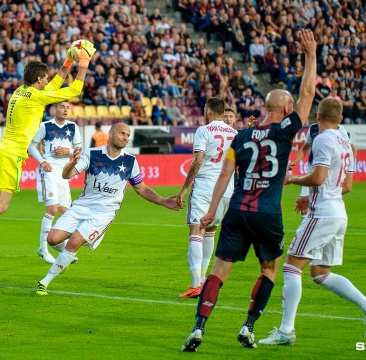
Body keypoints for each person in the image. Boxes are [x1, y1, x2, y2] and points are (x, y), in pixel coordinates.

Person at [181, 29, 317, 352]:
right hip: (268, 213)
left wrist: (212, 211)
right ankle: (248, 326)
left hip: (237, 209)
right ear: (286, 110)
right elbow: (308, 93)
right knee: (269, 269)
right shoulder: (285, 130)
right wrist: (310, 55)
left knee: (218, 270)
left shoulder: (240, 137)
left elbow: (224, 176)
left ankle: (198, 329)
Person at [0, 41, 97, 260]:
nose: (48, 81)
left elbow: (54, 85)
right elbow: (74, 89)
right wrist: (84, 64)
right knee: (1, 206)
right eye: (45, 78)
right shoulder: (37, 97)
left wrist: (68, 62)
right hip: (11, 154)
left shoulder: (20, 92)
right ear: (40, 79)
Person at [258, 98, 366, 346]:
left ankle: (286, 331)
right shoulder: (347, 144)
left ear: (318, 115)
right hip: (338, 212)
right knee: (320, 273)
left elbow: (318, 177)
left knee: (291, 267)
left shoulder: (322, 139)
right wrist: (312, 196)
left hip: (322, 214)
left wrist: (293, 180)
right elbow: (346, 185)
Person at [35, 123, 182, 295]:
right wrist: (72, 162)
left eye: (127, 135)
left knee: (74, 242)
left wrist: (163, 201)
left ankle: (45, 281)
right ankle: (65, 258)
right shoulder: (92, 154)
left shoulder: (130, 161)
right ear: (110, 133)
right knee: (52, 239)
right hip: (82, 206)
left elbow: (141, 188)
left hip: (104, 212)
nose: (125, 137)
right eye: (121, 133)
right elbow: (66, 175)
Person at [175, 98, 238, 298]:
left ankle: (196, 283)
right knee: (210, 231)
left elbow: (198, 160)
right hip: (226, 189)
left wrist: (184, 189)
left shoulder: (204, 130)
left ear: (209, 111)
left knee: (196, 231)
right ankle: (203, 281)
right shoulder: (235, 133)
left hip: (205, 186)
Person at [28, 101, 83, 264]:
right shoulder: (45, 126)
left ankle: (60, 246)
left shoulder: (73, 127)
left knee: (66, 214)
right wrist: (42, 161)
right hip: (49, 171)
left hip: (64, 173)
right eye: (62, 107)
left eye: (67, 108)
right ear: (54, 109)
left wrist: (69, 151)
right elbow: (31, 147)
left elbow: (80, 151)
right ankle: (43, 249)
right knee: (52, 208)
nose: (65, 110)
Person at [288, 122, 357, 217]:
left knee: (321, 204)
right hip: (311, 173)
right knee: (304, 209)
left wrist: (344, 165)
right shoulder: (313, 128)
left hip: (328, 175)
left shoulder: (340, 130)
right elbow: (305, 148)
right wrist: (294, 161)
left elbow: (352, 149)